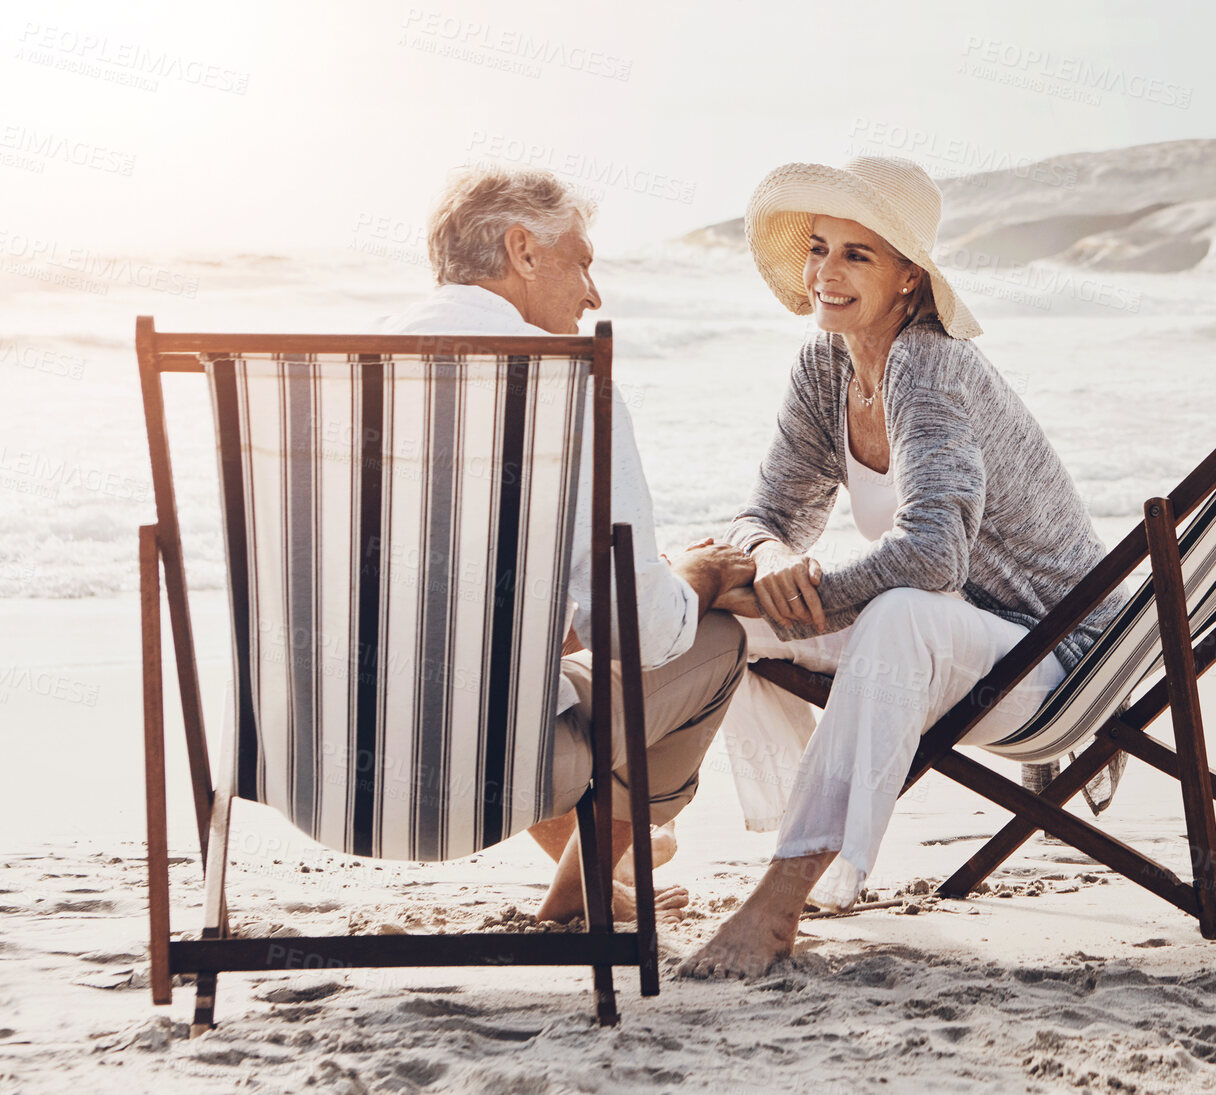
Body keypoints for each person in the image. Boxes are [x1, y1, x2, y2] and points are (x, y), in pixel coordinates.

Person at [679, 157, 1125, 979]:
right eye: (819, 247)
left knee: (893, 612)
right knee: (722, 615)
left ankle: (783, 895)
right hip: (957, 644)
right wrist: (773, 560)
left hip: (1054, 656)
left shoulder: (931, 363)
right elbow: (764, 515)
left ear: (909, 280)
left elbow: (931, 554)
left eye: (859, 254)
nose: (826, 273)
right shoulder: (826, 367)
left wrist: (794, 601)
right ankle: (632, 847)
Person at [382, 162, 755, 922]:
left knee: (532, 636)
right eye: (583, 262)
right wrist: (694, 574)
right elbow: (642, 630)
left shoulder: (327, 374)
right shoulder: (563, 380)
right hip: (485, 769)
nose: (593, 292)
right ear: (523, 250)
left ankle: (580, 888)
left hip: (303, 756)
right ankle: (593, 878)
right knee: (712, 639)